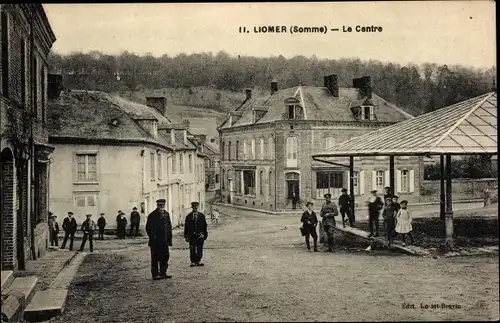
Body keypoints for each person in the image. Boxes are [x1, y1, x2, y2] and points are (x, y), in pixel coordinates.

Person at [146, 199, 173, 280]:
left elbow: (169, 227)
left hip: (164, 241)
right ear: (157, 205)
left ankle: (163, 272)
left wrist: (169, 239)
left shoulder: (166, 214)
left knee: (165, 257)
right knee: (155, 257)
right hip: (155, 241)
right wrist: (153, 237)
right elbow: (148, 228)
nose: (161, 207)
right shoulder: (152, 215)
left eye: (163, 205)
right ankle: (155, 274)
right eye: (160, 205)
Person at [184, 201, 208, 267]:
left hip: (200, 235)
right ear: (192, 207)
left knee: (200, 248)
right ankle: (193, 261)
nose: (195, 208)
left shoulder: (202, 216)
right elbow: (186, 227)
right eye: (194, 206)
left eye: (196, 206)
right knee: (192, 248)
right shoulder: (188, 216)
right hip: (192, 235)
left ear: (198, 207)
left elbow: (205, 226)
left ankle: (198, 261)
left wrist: (204, 234)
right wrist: (186, 236)